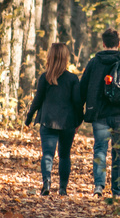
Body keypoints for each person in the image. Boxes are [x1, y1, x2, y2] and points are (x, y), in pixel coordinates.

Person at [79, 27, 120, 197]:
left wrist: (80, 110)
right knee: (119, 152)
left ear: (103, 44)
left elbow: (82, 88)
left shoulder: (94, 63)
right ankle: (116, 190)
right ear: (119, 44)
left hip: (100, 115)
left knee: (100, 149)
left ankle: (99, 187)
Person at [25, 43, 82, 196]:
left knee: (48, 154)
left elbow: (37, 100)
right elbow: (77, 103)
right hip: (67, 123)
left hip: (48, 121)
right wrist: (79, 120)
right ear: (65, 58)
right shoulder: (72, 79)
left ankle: (47, 183)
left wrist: (29, 117)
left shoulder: (45, 77)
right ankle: (63, 188)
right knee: (64, 155)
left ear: (50, 57)